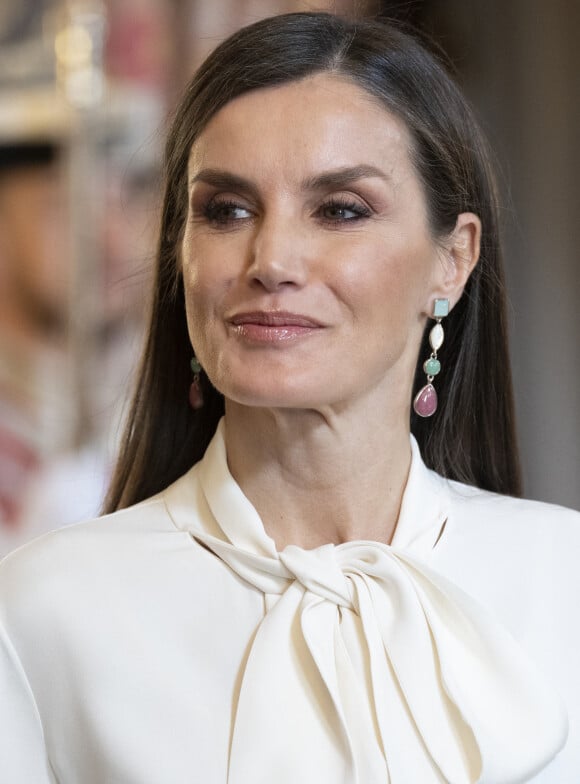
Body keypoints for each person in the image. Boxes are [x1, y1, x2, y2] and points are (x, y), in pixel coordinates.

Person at [0, 12, 578, 783]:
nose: (270, 259)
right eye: (226, 211)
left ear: (453, 258)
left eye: (341, 209)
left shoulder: (562, 575)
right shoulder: (40, 614)